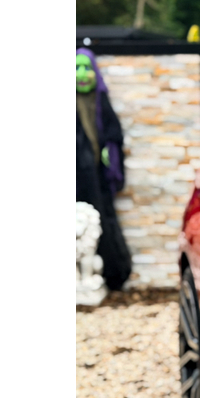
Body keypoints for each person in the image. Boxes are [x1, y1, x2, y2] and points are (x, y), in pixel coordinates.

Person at [76, 48, 132, 290]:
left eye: (86, 68)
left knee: (103, 220)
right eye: (76, 68)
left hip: (97, 178)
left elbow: (114, 133)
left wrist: (111, 150)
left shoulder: (100, 102)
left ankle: (114, 273)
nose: (81, 74)